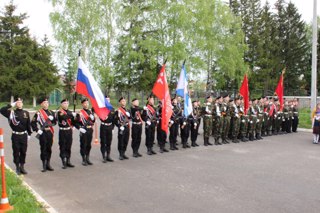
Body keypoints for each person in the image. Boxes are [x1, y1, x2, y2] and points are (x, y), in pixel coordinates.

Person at [0, 98, 32, 175]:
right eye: (17, 102)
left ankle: (22, 166)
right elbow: (2, 110)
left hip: (24, 135)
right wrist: (11, 105)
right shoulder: (11, 113)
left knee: (23, 151)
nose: (19, 103)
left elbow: (28, 125)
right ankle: (17, 167)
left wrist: (29, 134)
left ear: (22, 104)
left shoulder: (26, 113)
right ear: (15, 104)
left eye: (20, 102)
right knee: (16, 152)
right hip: (15, 136)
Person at [31, 97, 56, 172]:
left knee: (49, 148)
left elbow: (55, 123)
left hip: (50, 132)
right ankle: (44, 164)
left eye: (47, 103)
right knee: (43, 148)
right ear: (41, 104)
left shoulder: (52, 112)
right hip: (43, 133)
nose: (46, 104)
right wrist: (37, 130)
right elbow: (32, 123)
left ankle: (48, 163)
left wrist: (51, 121)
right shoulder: (38, 113)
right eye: (44, 103)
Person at [56, 98, 76, 169]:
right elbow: (64, 117)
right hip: (62, 131)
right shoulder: (60, 112)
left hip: (69, 131)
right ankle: (63, 161)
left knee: (68, 146)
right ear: (61, 104)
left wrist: (75, 119)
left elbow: (73, 121)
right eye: (64, 103)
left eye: (67, 103)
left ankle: (68, 160)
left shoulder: (70, 112)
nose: (66, 104)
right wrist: (72, 115)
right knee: (62, 146)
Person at [75, 98, 95, 165]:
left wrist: (93, 118)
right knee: (83, 144)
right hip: (83, 130)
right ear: (82, 104)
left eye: (87, 103)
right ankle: (83, 159)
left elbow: (93, 121)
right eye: (85, 103)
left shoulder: (90, 112)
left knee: (89, 145)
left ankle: (87, 158)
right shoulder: (80, 113)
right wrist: (80, 128)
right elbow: (76, 123)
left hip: (90, 130)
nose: (86, 104)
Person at [100, 95, 115, 162]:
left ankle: (108, 155)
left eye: (108, 99)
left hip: (110, 127)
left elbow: (114, 119)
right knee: (103, 142)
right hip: (103, 126)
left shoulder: (112, 109)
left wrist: (113, 128)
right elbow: (94, 110)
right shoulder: (101, 108)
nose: (107, 101)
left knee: (109, 141)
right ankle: (104, 156)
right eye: (106, 100)